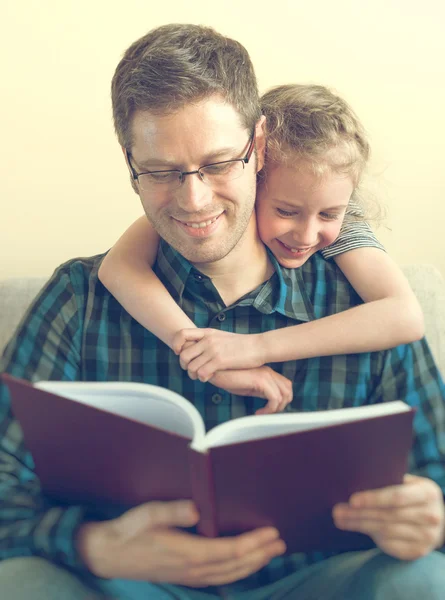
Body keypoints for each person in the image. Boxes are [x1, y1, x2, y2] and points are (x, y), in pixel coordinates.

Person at [0, 23, 445, 600]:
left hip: (318, 582)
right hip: (132, 586)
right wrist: (95, 545)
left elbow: (437, 473)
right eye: (161, 171)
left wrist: (429, 515)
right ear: (130, 163)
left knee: (426, 581)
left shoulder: (363, 303)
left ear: (259, 146)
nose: (194, 199)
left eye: (216, 164)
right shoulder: (80, 298)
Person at [98, 83, 425, 409]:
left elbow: (406, 316)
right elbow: (117, 268)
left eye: (328, 214)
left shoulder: (347, 225)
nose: (306, 235)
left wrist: (255, 348)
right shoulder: (199, 212)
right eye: (285, 212)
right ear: (252, 178)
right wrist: (209, 361)